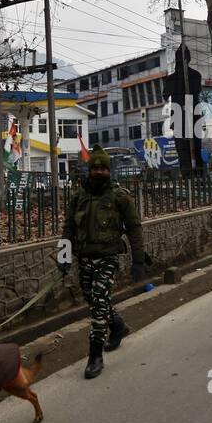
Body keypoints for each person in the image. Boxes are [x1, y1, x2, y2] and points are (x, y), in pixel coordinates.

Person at [58, 145, 145, 378]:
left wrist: (138, 260)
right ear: (89, 170)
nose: (98, 172)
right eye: (94, 168)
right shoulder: (79, 197)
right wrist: (64, 254)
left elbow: (135, 228)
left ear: (109, 170)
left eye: (102, 168)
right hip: (84, 258)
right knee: (93, 299)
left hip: (107, 257)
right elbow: (68, 227)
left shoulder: (120, 196)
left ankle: (95, 356)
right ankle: (117, 326)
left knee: (98, 303)